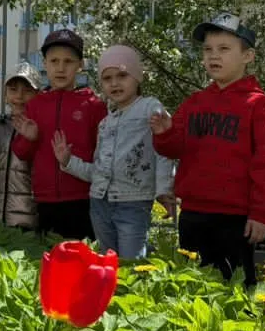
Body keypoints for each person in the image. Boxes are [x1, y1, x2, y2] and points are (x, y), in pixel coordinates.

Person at [150, 13, 265, 285]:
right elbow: (174, 148)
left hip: (235, 217)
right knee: (193, 287)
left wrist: (261, 213)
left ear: (248, 56)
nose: (214, 56)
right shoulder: (195, 102)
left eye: (224, 49)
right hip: (193, 213)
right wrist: (164, 133)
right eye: (208, 50)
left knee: (234, 289)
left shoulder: (260, 106)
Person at [53, 44, 174, 259]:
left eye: (122, 75)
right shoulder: (105, 123)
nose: (115, 83)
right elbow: (99, 171)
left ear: (137, 77)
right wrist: (68, 161)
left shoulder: (150, 108)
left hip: (133, 202)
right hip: (99, 203)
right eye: (107, 78)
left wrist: (164, 190)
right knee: (107, 262)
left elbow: (164, 151)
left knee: (130, 264)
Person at [10, 28, 107, 239]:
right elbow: (21, 153)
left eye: (68, 61)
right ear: (44, 63)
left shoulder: (93, 105)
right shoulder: (35, 105)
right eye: (54, 61)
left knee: (82, 259)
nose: (61, 68)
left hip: (84, 198)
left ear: (80, 65)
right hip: (45, 200)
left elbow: (104, 152)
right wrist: (30, 138)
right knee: (49, 260)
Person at [0, 61, 39, 229]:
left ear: (38, 95)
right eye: (13, 90)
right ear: (5, 95)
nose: (19, 96)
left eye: (27, 91)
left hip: (29, 216)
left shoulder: (40, 128)